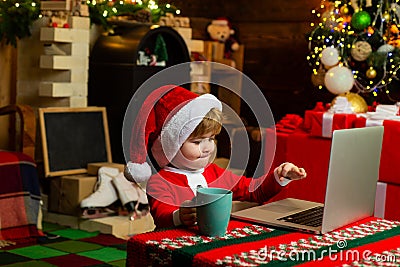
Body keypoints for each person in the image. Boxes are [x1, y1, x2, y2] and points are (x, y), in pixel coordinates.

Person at [124, 85, 306, 228]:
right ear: (170, 146)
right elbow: (163, 217)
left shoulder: (215, 173)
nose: (207, 148)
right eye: (196, 142)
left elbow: (254, 191)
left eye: (211, 139)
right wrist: (180, 215)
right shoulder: (160, 181)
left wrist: (280, 176)